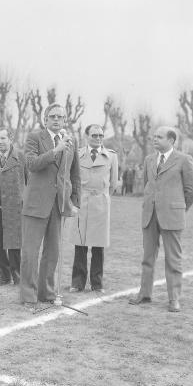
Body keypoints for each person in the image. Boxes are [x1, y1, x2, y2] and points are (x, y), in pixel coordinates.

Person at [128, 126, 193, 312]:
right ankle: (144, 293)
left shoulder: (184, 160)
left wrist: (179, 209)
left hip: (172, 216)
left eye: (159, 137)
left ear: (171, 140)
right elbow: (147, 186)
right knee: (147, 257)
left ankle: (174, 299)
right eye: (154, 137)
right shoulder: (149, 159)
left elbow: (191, 191)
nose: (154, 139)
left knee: (173, 260)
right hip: (150, 215)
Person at [19, 103, 81, 312]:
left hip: (59, 203)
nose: (56, 120)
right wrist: (56, 150)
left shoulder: (71, 141)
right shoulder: (35, 137)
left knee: (52, 252)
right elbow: (31, 164)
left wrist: (75, 201)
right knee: (30, 251)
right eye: (52, 116)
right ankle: (28, 294)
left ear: (65, 121)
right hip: (36, 203)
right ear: (45, 119)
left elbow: (75, 174)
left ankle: (46, 292)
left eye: (60, 117)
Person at [69, 124, 118, 294]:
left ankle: (97, 283)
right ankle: (77, 282)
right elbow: (72, 178)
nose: (98, 138)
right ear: (86, 136)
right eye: (94, 135)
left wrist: (101, 196)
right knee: (80, 244)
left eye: (100, 135)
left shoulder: (111, 156)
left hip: (100, 204)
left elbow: (113, 184)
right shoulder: (77, 154)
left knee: (98, 246)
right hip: (82, 202)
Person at [0, 128, 27, 286]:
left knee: (14, 243)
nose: (0, 141)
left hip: (15, 207)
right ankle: (4, 276)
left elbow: (27, 181)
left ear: (10, 139)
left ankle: (17, 276)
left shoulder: (22, 157)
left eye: (3, 138)